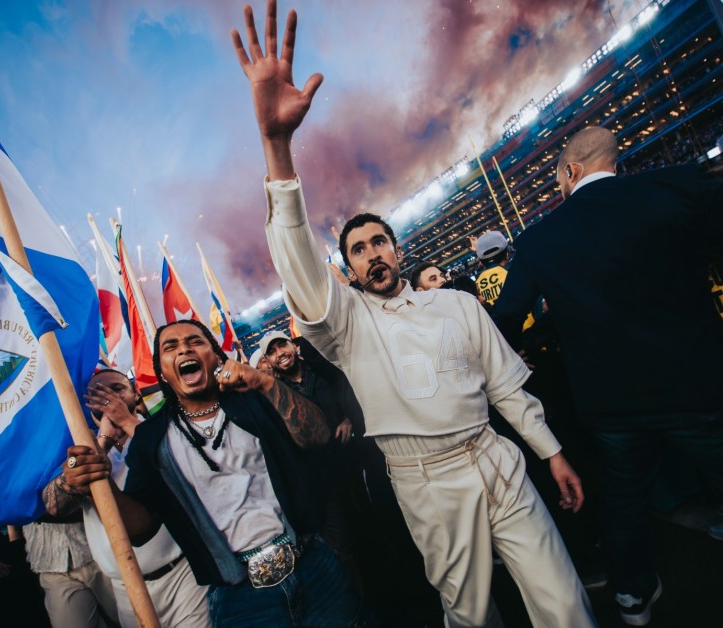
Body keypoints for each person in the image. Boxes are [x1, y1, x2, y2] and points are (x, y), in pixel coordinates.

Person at [232, 2, 594, 626]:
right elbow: (298, 266)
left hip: (497, 460)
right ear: (347, 270)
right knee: (471, 614)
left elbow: (507, 386)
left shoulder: (455, 303)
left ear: (397, 250)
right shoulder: (345, 325)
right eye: (358, 250)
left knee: (564, 602)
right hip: (426, 482)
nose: (372, 255)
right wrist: (276, 148)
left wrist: (551, 451)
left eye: (379, 242)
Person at [493, 125, 723, 626]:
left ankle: (632, 596)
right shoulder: (676, 186)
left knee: (625, 501)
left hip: (612, 402)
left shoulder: (539, 239)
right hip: (696, 378)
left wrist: (537, 340)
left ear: (571, 171)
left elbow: (505, 319)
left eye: (557, 180)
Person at [60, 320, 366, 627]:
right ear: (162, 371)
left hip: (313, 566)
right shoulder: (151, 439)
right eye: (171, 347)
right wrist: (99, 486)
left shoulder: (255, 400)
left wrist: (265, 382)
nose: (184, 349)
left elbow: (317, 435)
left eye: (196, 342)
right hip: (241, 598)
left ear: (216, 357)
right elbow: (142, 529)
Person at [44, 368, 209, 628]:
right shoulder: (82, 448)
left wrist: (125, 423)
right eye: (97, 393)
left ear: (134, 392)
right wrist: (102, 443)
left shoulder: (164, 427)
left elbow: (188, 467)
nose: (108, 397)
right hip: (126, 588)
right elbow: (53, 504)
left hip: (183, 577)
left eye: (117, 389)